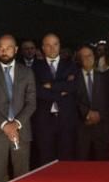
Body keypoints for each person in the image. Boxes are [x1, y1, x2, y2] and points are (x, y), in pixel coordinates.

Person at [0, 35, 36, 182]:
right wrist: (5, 125)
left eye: (8, 47)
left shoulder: (27, 72)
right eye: (1, 48)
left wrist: (16, 124)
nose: (4, 51)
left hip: (22, 132)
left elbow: (31, 103)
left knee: (23, 179)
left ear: (16, 49)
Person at [31, 33, 80, 165]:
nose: (52, 48)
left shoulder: (71, 65)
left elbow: (73, 86)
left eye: (55, 44)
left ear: (60, 46)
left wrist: (51, 85)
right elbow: (38, 91)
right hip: (44, 121)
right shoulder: (35, 67)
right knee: (46, 158)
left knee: (67, 157)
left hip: (66, 119)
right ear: (42, 47)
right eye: (48, 45)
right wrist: (61, 92)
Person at [75, 45, 108, 161]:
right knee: (82, 161)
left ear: (94, 57)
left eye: (89, 55)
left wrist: (100, 115)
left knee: (102, 162)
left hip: (101, 127)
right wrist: (87, 113)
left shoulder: (104, 77)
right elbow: (73, 100)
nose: (87, 58)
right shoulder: (74, 78)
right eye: (83, 56)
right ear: (79, 60)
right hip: (82, 126)